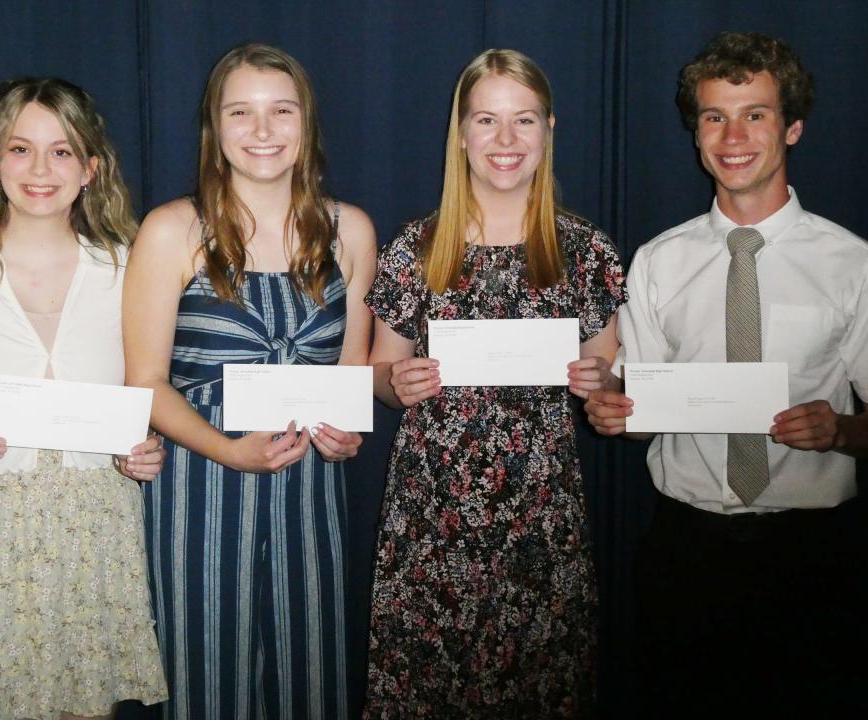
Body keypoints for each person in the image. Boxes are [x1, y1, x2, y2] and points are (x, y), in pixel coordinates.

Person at [585, 32, 868, 716]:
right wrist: (613, 410)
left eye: (756, 114)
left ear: (792, 127)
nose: (732, 134)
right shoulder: (657, 262)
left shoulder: (852, 262)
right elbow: (637, 406)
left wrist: (842, 431)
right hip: (687, 554)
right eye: (714, 116)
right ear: (696, 132)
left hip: (814, 559)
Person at [363, 49, 626, 718]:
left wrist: (600, 381)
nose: (505, 141)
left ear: (549, 130)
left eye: (524, 120)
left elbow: (613, 382)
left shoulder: (585, 249)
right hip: (431, 516)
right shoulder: (416, 247)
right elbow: (377, 374)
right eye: (487, 120)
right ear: (460, 133)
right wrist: (402, 382)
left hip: (541, 519)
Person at [123, 44, 376, 719]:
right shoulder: (172, 230)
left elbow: (352, 371)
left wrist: (344, 435)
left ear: (307, 123)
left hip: (309, 489)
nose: (262, 131)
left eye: (280, 111)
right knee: (205, 681)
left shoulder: (349, 231)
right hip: (199, 483)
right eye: (242, 112)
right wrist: (230, 450)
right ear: (216, 126)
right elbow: (144, 383)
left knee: (310, 677)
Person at [0, 78, 167, 719]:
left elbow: (148, 391)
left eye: (62, 151)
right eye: (21, 149)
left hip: (96, 524)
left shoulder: (128, 267)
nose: (41, 169)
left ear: (90, 170)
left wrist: (144, 450)